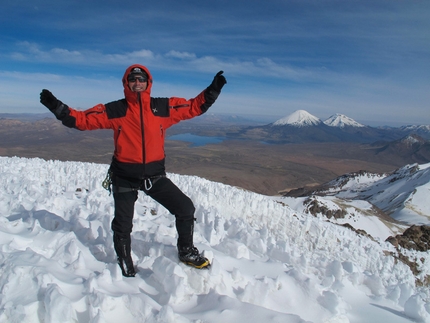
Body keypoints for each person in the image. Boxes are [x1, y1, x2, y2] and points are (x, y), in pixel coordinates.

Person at [40, 64, 226, 277]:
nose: (137, 83)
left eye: (141, 79)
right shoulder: (115, 110)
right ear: (126, 83)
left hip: (154, 176)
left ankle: (186, 252)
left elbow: (193, 107)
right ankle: (125, 259)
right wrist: (57, 107)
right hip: (124, 177)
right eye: (133, 79)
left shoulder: (162, 107)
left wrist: (213, 90)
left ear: (148, 83)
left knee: (185, 208)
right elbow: (82, 120)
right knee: (123, 224)